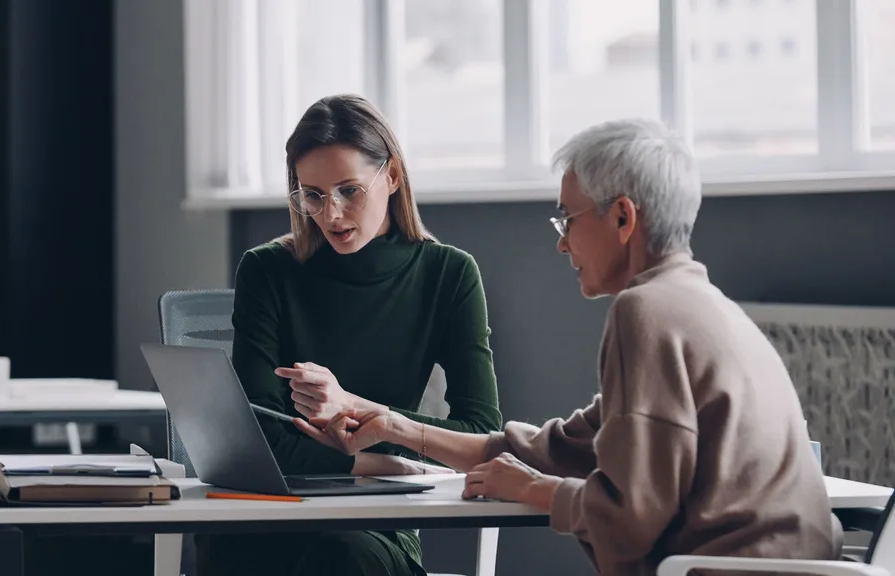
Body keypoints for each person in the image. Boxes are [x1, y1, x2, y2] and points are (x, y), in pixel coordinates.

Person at [298, 119, 841, 575]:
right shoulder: (703, 306)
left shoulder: (645, 312)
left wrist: (537, 491)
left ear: (623, 217)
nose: (561, 241)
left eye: (569, 218)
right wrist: (392, 424)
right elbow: (558, 447)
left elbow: (630, 522)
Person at [196, 94, 503, 576]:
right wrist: (385, 463)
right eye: (312, 195)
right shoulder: (267, 270)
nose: (331, 214)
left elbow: (481, 437)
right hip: (265, 516)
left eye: (349, 190)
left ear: (394, 176)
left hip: (373, 528)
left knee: (343, 556)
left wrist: (355, 411)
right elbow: (257, 442)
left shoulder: (449, 274)